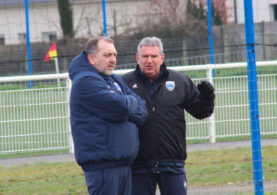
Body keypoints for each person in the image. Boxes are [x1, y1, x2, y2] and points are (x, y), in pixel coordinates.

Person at [122, 36, 215, 195]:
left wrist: (207, 98)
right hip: (138, 166)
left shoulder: (180, 81)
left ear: (162, 57)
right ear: (138, 58)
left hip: (172, 163)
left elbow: (200, 112)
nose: (149, 60)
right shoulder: (124, 83)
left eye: (154, 56)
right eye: (145, 56)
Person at [68, 36, 148, 195]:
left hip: (122, 164)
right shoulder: (86, 82)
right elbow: (121, 109)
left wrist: (126, 104)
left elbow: (143, 112)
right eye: (107, 55)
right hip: (103, 169)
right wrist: (128, 104)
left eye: (114, 55)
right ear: (91, 58)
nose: (113, 60)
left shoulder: (114, 79)